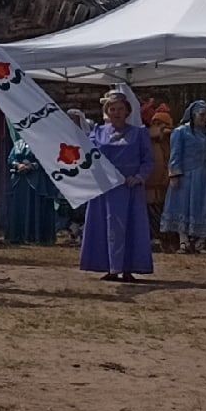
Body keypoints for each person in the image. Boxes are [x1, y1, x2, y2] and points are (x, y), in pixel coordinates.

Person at [81, 91, 154, 282]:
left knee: (130, 227)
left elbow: (148, 160)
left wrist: (139, 177)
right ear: (107, 112)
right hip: (106, 189)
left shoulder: (139, 133)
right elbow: (89, 157)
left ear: (127, 111)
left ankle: (129, 268)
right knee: (106, 227)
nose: (116, 113)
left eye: (120, 109)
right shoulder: (97, 132)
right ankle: (110, 267)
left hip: (129, 188)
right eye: (112, 109)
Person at [161, 100, 206, 254]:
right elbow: (175, 154)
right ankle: (183, 240)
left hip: (205, 176)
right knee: (183, 206)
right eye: (202, 114)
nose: (204, 118)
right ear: (193, 114)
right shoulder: (180, 132)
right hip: (186, 175)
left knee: (204, 206)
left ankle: (201, 241)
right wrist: (174, 173)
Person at [4, 139, 58, 245]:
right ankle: (18, 235)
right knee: (19, 207)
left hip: (36, 182)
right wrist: (17, 165)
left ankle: (35, 236)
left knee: (34, 207)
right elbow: (11, 158)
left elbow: (46, 160)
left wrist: (31, 166)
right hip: (19, 181)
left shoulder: (42, 143)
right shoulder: (18, 143)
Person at [145, 107, 174, 248]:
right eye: (155, 122)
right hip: (151, 182)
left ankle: (164, 236)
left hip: (165, 183)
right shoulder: (149, 138)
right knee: (151, 210)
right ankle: (153, 236)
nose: (159, 126)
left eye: (162, 123)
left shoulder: (170, 140)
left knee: (163, 210)